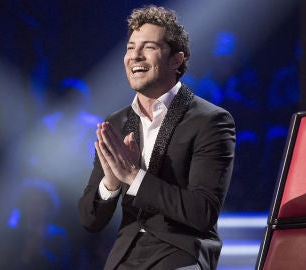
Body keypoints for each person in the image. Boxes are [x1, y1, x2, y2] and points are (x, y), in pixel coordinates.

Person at [78, 5, 235, 270]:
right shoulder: (116, 123)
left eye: (148, 47)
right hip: (126, 256)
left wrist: (134, 177)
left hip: (182, 252)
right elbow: (90, 219)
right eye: (130, 48)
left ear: (176, 60)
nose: (135, 56)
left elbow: (203, 212)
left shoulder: (210, 121)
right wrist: (112, 182)